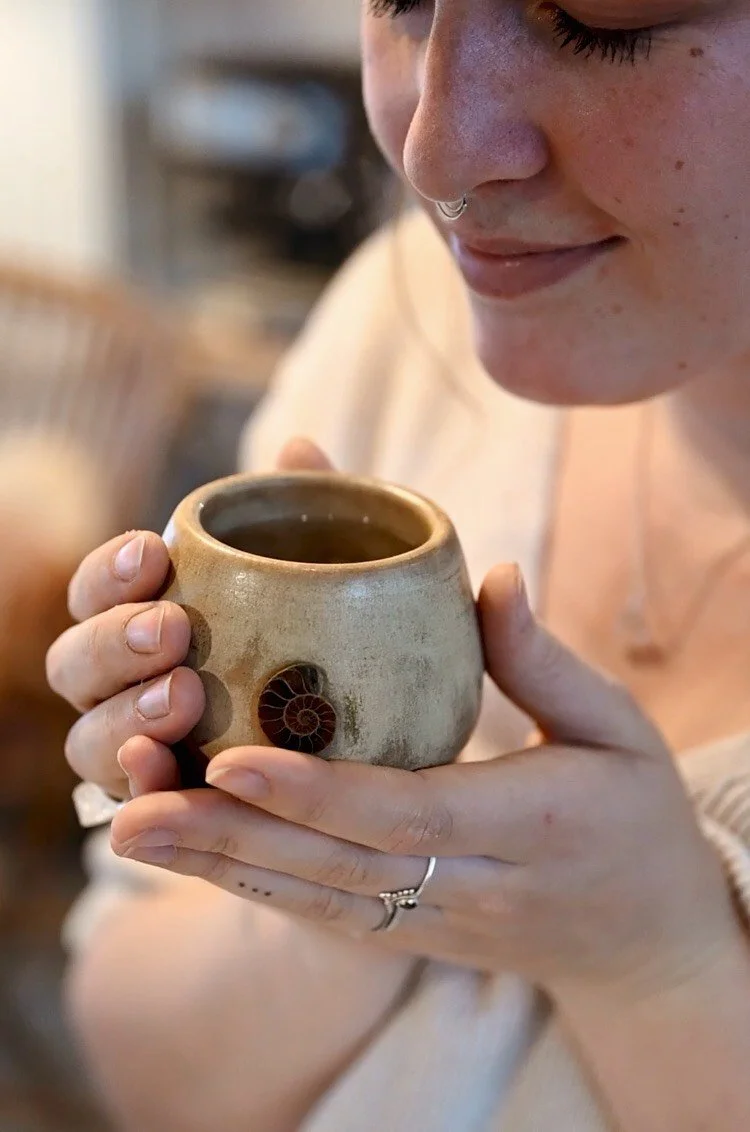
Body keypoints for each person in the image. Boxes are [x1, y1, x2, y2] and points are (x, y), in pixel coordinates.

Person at [46, 4, 750, 1130]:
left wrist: (651, 963)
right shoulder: (419, 311)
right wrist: (340, 871)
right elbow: (155, 1078)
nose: (434, 152)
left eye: (606, 14)